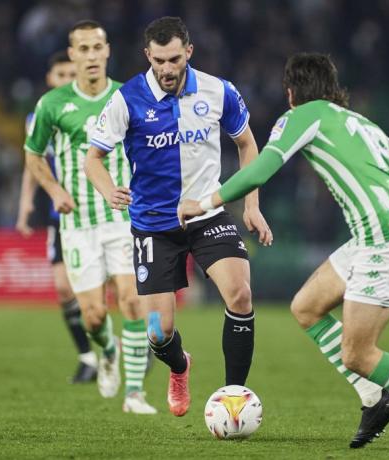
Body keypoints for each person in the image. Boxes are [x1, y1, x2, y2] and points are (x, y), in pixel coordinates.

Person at [178, 53, 389, 452]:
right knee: (306, 307)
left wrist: (205, 203)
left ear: (291, 93)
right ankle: (375, 399)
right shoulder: (363, 124)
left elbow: (261, 170)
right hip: (384, 234)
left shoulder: (299, 117)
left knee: (358, 354)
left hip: (383, 240)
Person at [85, 16, 272, 417]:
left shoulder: (219, 91)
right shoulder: (126, 99)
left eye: (174, 59)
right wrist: (106, 188)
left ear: (188, 51)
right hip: (153, 223)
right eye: (159, 61)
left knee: (239, 294)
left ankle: (234, 397)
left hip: (207, 214)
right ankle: (180, 367)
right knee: (159, 331)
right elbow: (93, 158)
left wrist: (252, 205)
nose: (167, 69)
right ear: (147, 56)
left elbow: (247, 145)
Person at [24, 20, 156, 415]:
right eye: (83, 49)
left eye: (97, 47)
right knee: (94, 315)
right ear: (73, 54)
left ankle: (135, 394)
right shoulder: (52, 105)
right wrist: (54, 190)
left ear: (108, 50)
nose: (91, 56)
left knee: (132, 301)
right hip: (77, 224)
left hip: (123, 218)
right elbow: (33, 154)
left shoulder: (129, 96)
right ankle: (109, 351)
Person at [16, 51, 99, 385]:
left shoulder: (97, 109)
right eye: (60, 75)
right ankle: (88, 357)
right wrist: (25, 204)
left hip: (100, 209)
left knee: (116, 292)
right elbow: (32, 161)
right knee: (63, 288)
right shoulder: (40, 115)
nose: (66, 79)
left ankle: (137, 344)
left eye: (71, 73)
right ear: (50, 79)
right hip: (61, 212)